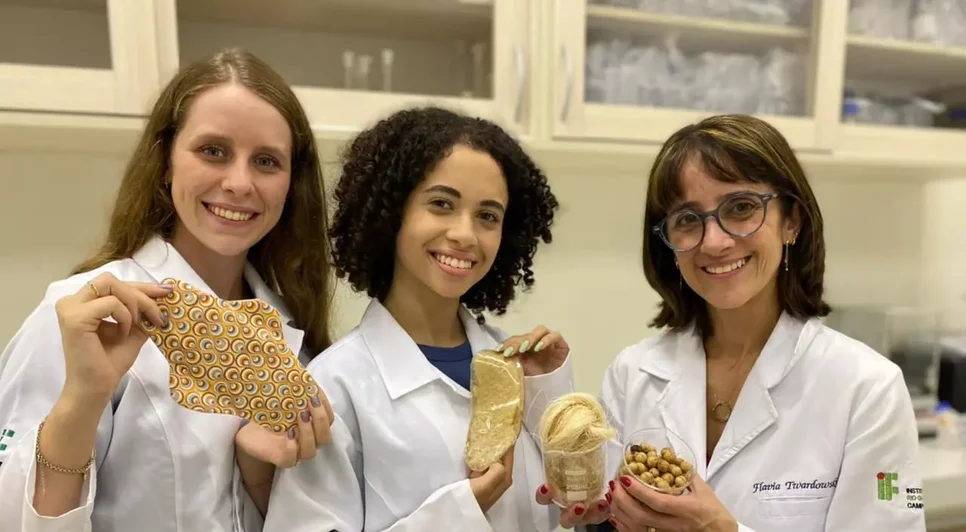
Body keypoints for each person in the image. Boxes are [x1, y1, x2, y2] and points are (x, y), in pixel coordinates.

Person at [0, 48, 336, 532]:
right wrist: (83, 399)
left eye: (266, 161)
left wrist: (257, 475)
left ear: (290, 184)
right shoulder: (82, 315)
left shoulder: (295, 345)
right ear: (165, 162)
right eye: (213, 151)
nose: (239, 183)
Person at [541, 114, 926, 532]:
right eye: (687, 219)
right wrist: (601, 518)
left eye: (741, 208)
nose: (714, 242)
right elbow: (607, 508)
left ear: (791, 221)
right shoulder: (632, 375)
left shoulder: (868, 389)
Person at [262, 106, 576, 531]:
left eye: (487, 216)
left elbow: (561, 510)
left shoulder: (518, 364)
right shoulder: (336, 385)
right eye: (441, 204)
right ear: (392, 213)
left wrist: (551, 397)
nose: (464, 234)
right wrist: (459, 513)